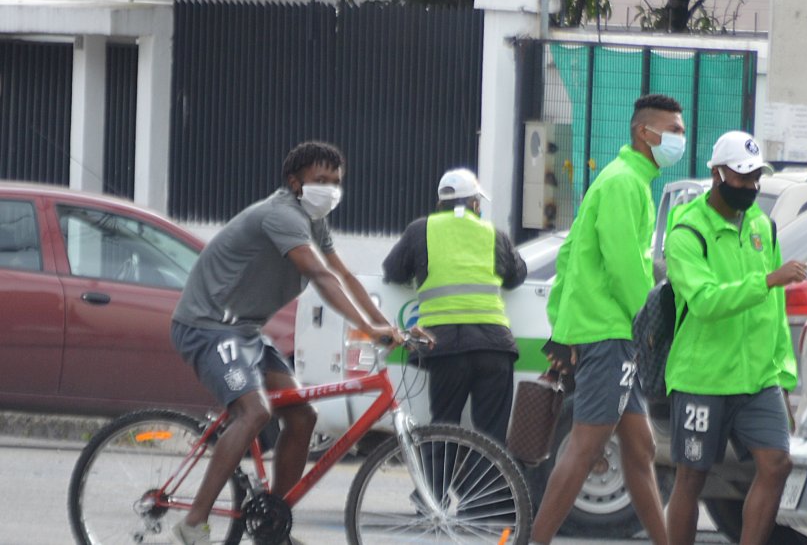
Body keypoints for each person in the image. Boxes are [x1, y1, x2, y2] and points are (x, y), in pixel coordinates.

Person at [169, 141, 420, 545]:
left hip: (245, 331)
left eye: (336, 181)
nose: (331, 189)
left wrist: (387, 325)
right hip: (208, 326)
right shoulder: (282, 214)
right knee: (255, 412)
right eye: (321, 180)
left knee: (303, 416)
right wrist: (368, 329)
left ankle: (272, 526)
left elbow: (345, 277)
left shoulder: (313, 222)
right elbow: (321, 277)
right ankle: (192, 524)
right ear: (294, 182)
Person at [530, 94, 686, 545]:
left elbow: (570, 257)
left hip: (610, 332)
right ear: (644, 133)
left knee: (640, 449)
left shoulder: (625, 179)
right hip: (610, 333)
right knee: (587, 445)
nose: (680, 139)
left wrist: (565, 327)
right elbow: (624, 267)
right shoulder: (624, 183)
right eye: (674, 131)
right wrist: (651, 323)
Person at [662, 131, 807, 545]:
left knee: (776, 464)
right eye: (741, 177)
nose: (750, 186)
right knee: (692, 477)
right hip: (702, 379)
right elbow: (705, 302)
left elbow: (774, 312)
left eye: (755, 177)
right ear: (717, 174)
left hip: (758, 379)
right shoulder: (687, 232)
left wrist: (783, 377)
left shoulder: (763, 225)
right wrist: (767, 280)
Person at [381, 167, 527, 444]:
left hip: (445, 347)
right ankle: (486, 474)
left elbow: (393, 271)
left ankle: (437, 474)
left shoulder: (420, 230)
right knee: (491, 440)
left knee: (443, 430)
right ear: (475, 204)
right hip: (494, 346)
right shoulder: (494, 234)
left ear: (440, 205)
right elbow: (517, 276)